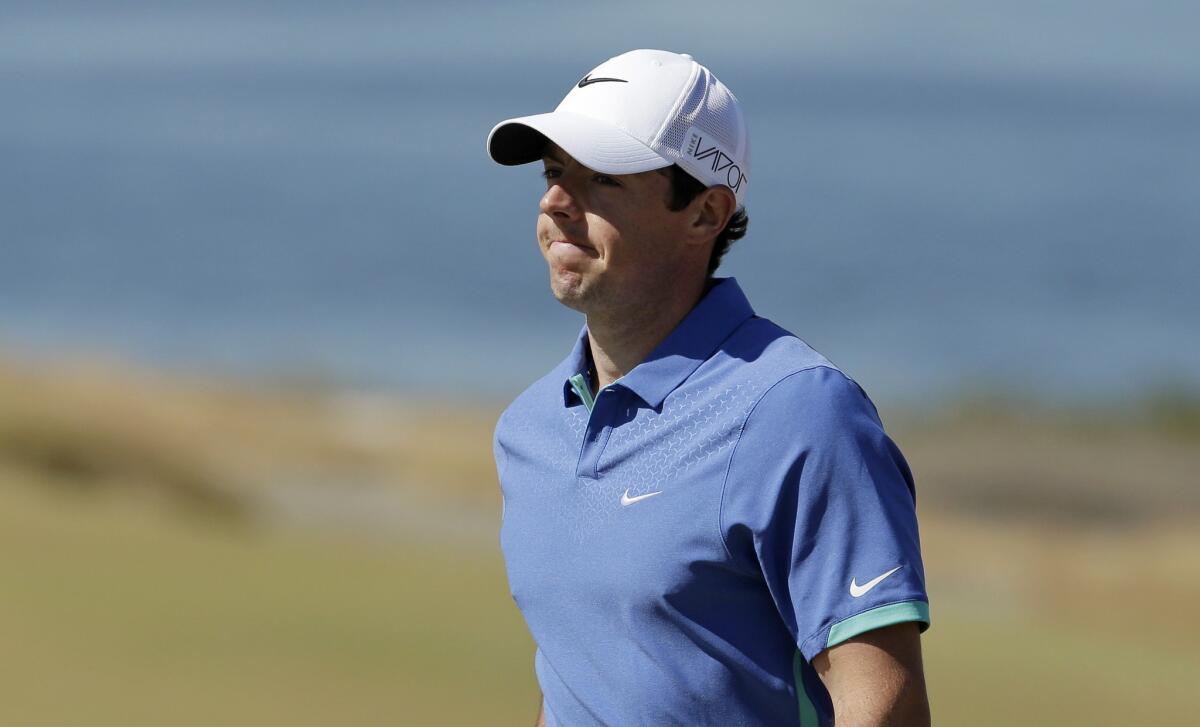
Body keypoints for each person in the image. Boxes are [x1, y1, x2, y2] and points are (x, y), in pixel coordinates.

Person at [487, 49, 930, 727]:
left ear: (706, 212)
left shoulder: (800, 412)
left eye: (601, 179)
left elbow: (883, 702)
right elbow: (576, 683)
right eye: (553, 174)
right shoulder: (529, 429)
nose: (554, 201)